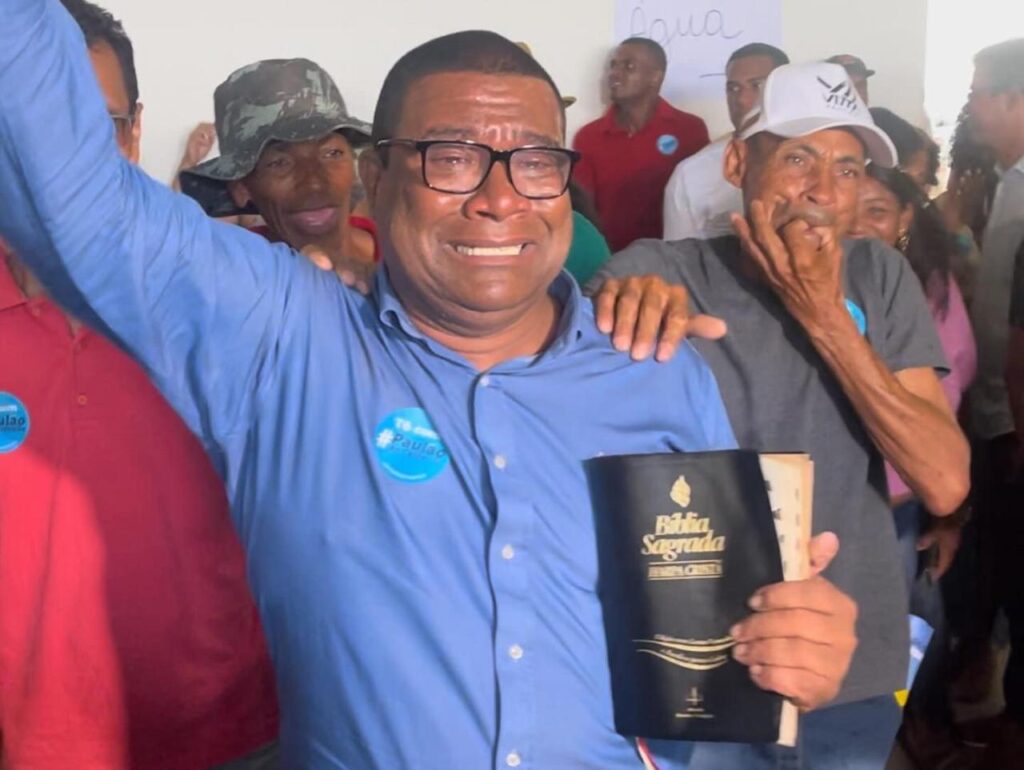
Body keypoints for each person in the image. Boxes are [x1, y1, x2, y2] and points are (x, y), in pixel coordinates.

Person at [0, 5, 861, 766]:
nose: (499, 199)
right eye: (451, 158)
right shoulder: (284, 342)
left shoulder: (657, 370)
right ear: (375, 180)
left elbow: (712, 663)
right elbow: (74, 203)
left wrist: (791, 651)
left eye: (534, 162)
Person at [589, 61, 970, 768]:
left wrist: (824, 316)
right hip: (701, 657)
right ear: (738, 162)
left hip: (848, 657)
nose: (824, 189)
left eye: (848, 169)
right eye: (798, 158)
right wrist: (616, 308)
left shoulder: (879, 276)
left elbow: (944, 480)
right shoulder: (659, 272)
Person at [0, 1, 279, 768]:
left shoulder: (230, 298)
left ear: (132, 133)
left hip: (233, 737)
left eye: (89, 126)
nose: (52, 158)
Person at [848, 136, 976, 592]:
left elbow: (948, 411)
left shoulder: (931, 292)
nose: (857, 226)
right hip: (816, 504)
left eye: (877, 212)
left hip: (895, 506)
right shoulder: (810, 281)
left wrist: (948, 517)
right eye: (849, 209)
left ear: (905, 218)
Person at [962, 37, 1024, 764]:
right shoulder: (1005, 179)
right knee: (996, 560)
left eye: (980, 92)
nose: (971, 105)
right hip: (992, 403)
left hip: (1014, 414)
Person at [179, 59, 378, 281]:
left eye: (332, 153)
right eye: (280, 163)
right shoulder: (232, 276)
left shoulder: (399, 249)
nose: (314, 183)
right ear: (242, 188)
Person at [573, 37, 709, 251]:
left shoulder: (690, 130)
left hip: (672, 257)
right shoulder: (589, 137)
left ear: (655, 77)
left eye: (629, 66)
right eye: (613, 66)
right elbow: (583, 211)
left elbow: (701, 202)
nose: (614, 74)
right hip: (610, 259)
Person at [663, 42, 789, 240]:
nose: (742, 100)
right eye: (734, 88)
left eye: (757, 86)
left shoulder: (823, 159)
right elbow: (677, 256)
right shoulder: (691, 174)